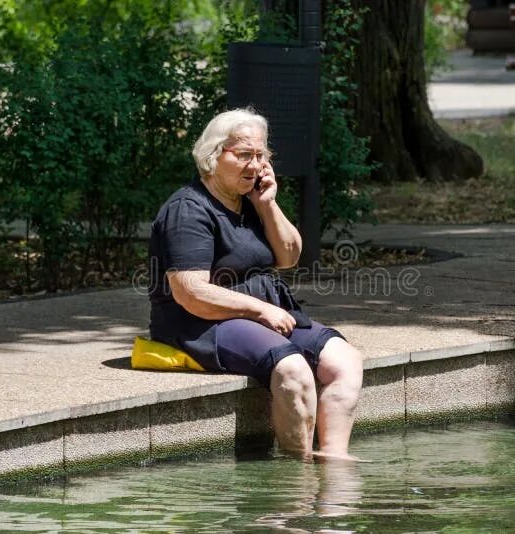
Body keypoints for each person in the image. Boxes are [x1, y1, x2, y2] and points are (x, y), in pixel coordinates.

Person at [148, 108, 364, 460]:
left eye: (261, 155)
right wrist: (260, 308)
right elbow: (190, 292)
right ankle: (299, 471)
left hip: (261, 316)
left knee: (346, 361)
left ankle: (334, 462)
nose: (256, 165)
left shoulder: (249, 200)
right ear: (212, 156)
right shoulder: (188, 210)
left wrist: (268, 205)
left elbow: (289, 256)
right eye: (244, 154)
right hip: (201, 323)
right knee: (293, 370)